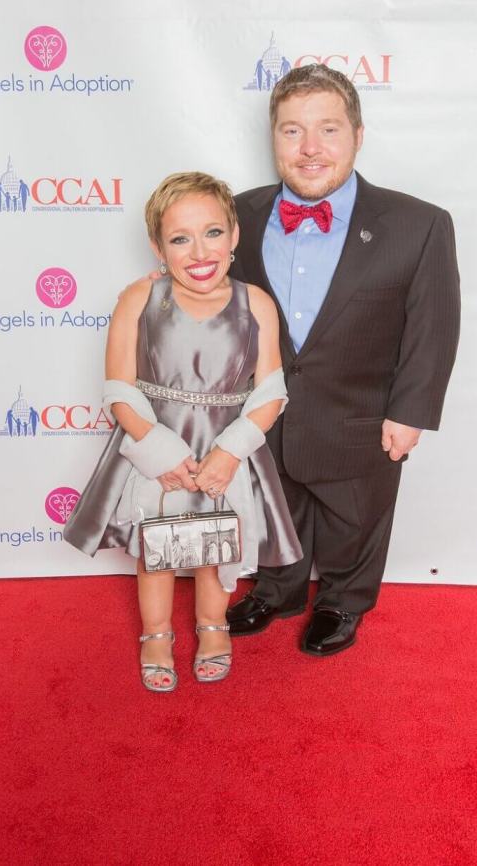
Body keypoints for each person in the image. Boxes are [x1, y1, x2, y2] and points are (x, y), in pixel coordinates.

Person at [226, 63, 460, 656]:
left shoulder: (420, 224)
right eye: (291, 131)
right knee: (276, 511)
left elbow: (433, 330)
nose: (309, 149)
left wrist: (410, 413)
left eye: (328, 130)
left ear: (358, 134)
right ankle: (278, 590)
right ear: (273, 138)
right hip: (266, 415)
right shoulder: (235, 216)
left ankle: (342, 601)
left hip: (362, 415)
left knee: (357, 519)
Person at [63, 173, 302, 692]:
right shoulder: (138, 300)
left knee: (216, 546)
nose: (199, 250)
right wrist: (159, 451)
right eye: (180, 238)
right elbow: (120, 389)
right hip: (156, 443)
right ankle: (155, 634)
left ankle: (213, 629)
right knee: (158, 547)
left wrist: (230, 452)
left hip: (226, 449)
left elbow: (270, 393)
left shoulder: (255, 303)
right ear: (158, 246)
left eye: (212, 233)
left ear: (234, 235)